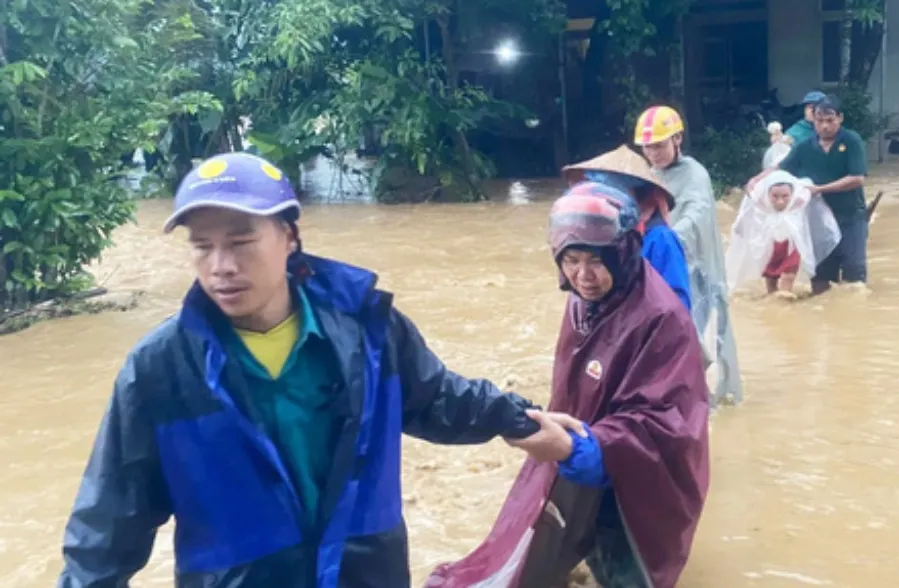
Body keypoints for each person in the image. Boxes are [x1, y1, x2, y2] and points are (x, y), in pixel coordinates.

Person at [57, 152, 569, 587]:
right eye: (201, 246)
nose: (220, 265)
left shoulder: (367, 330)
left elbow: (438, 398)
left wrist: (522, 420)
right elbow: (108, 525)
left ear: (288, 237)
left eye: (240, 241)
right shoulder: (159, 369)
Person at [427, 182, 710, 588]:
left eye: (596, 261)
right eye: (571, 260)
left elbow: (666, 423)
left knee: (628, 571)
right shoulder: (585, 301)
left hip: (635, 479)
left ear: (624, 253)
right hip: (585, 461)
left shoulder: (661, 319)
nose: (582, 275)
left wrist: (581, 448)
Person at [633, 105, 742, 407]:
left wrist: (667, 242)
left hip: (694, 269)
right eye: (647, 147)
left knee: (686, 333)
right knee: (668, 336)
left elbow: (696, 214)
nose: (653, 153)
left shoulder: (695, 174)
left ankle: (696, 400)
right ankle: (685, 396)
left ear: (677, 139)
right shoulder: (647, 174)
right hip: (662, 264)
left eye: (659, 145)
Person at [749, 95, 868, 294]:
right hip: (817, 220)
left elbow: (857, 178)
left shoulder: (851, 141)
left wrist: (820, 190)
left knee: (854, 276)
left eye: (830, 120)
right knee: (821, 277)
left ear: (840, 118)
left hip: (850, 217)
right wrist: (757, 180)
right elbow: (781, 168)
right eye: (820, 121)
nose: (825, 126)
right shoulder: (805, 146)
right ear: (813, 120)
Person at [562, 144, 691, 310]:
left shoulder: (659, 238)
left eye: (614, 194)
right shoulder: (598, 235)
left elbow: (678, 308)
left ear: (638, 198)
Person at [725, 170, 841, 298]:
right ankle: (773, 305)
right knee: (771, 281)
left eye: (785, 196)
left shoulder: (799, 201)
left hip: (791, 245)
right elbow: (746, 213)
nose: (780, 201)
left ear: (792, 194)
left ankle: (785, 303)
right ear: (767, 194)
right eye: (775, 196)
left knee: (788, 277)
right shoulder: (760, 202)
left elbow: (808, 191)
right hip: (769, 246)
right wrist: (739, 228)